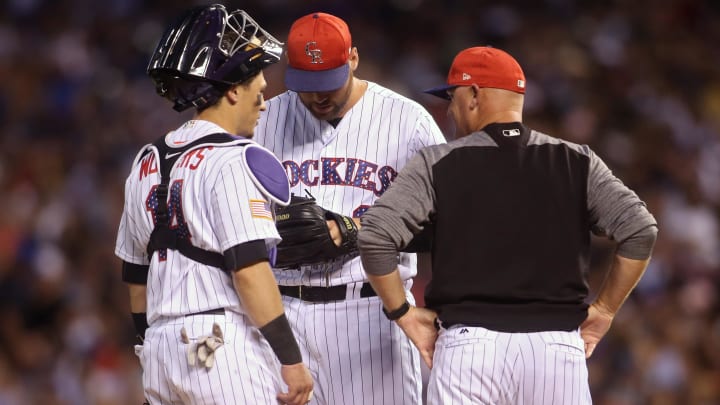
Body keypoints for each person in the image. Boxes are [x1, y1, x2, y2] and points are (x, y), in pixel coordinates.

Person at [357, 46, 659, 405]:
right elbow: (640, 230)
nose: (451, 110)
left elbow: (375, 236)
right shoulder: (576, 161)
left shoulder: (437, 163)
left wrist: (404, 314)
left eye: (452, 98)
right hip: (556, 351)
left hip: (469, 350)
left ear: (473, 95)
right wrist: (605, 310)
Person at [114, 5, 313, 405]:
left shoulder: (146, 160)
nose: (264, 95)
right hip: (217, 347)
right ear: (233, 89)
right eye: (257, 79)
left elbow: (136, 276)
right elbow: (250, 271)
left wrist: (153, 343)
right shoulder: (235, 159)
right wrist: (291, 361)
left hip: (158, 351)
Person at [253, 12, 447, 405]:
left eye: (328, 82)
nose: (318, 96)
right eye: (307, 85)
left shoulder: (408, 121)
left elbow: (449, 217)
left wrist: (359, 230)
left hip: (372, 314)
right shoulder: (263, 120)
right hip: (281, 313)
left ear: (353, 59)